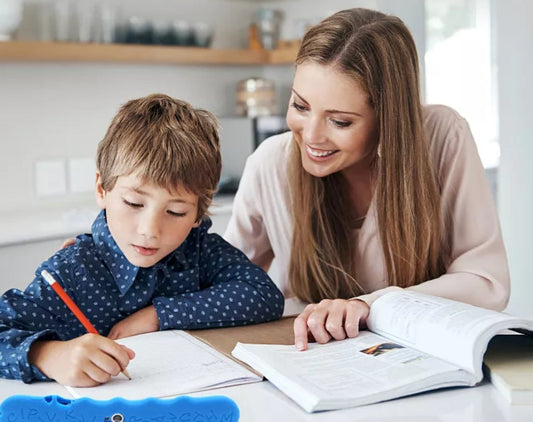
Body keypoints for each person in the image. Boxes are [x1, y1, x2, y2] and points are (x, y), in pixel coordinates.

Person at [224, 8, 510, 350]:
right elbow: (226, 282)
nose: (311, 136)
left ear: (388, 117)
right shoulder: (270, 162)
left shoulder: (441, 137)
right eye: (300, 106)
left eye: (340, 121)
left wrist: (369, 305)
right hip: (308, 359)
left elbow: (486, 283)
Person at [0, 94, 283, 385]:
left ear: (199, 212)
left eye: (175, 212)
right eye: (134, 203)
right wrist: (47, 356)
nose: (150, 230)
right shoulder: (73, 270)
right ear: (101, 189)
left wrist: (158, 315)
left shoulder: (200, 250)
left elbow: (263, 295)